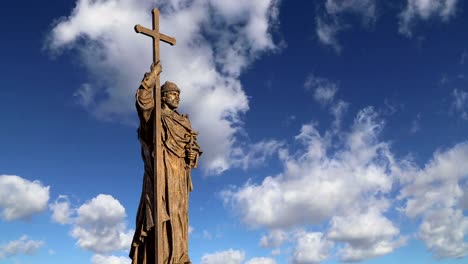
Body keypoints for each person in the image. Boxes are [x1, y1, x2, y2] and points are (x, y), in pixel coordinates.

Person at [130, 62, 201, 264]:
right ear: (162, 96)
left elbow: (192, 152)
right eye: (172, 94)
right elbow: (143, 101)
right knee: (162, 213)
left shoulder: (184, 122)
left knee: (179, 215)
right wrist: (152, 77)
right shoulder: (155, 116)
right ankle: (160, 257)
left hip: (179, 174)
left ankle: (179, 256)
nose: (176, 97)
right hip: (161, 172)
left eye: (178, 94)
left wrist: (191, 154)